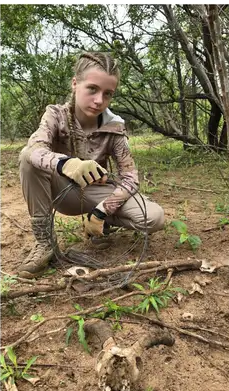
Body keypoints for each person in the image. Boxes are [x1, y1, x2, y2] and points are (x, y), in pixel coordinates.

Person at [17, 51, 165, 278]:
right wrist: (65, 163)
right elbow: (34, 149)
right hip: (61, 191)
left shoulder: (114, 127)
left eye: (108, 94)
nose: (99, 100)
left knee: (154, 217)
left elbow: (130, 177)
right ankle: (45, 243)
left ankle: (97, 224)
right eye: (92, 89)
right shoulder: (55, 115)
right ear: (75, 84)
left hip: (96, 191)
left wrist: (102, 210)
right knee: (27, 159)